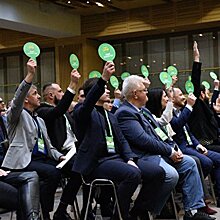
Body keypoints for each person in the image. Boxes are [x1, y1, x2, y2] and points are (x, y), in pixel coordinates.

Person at [115, 75, 214, 220]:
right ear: (135, 94)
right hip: (143, 156)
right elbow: (143, 140)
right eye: (144, 90)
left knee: (190, 163)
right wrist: (169, 151)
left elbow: (158, 133)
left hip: (157, 153)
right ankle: (148, 210)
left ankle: (192, 211)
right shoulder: (125, 112)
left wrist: (172, 147)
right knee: (171, 175)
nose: (147, 92)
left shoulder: (142, 110)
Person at [72, 61, 144, 220]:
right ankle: (120, 215)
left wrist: (130, 158)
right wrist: (103, 78)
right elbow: (87, 104)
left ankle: (122, 212)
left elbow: (122, 140)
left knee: (139, 170)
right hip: (97, 162)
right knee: (132, 175)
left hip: (114, 158)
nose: (108, 91)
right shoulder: (83, 112)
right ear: (93, 93)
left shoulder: (110, 115)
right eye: (104, 89)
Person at [1, 59, 65, 220]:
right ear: (26, 99)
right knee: (52, 173)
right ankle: (44, 211)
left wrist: (60, 156)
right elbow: (17, 99)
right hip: (22, 160)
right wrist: (30, 75)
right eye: (35, 94)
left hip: (40, 158)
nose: (39, 97)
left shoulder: (39, 119)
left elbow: (48, 146)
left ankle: (42, 210)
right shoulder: (16, 115)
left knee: (60, 168)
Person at [146, 87, 217, 215]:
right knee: (200, 162)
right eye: (166, 97)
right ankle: (191, 199)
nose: (168, 99)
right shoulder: (161, 114)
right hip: (169, 151)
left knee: (205, 161)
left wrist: (197, 145)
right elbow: (171, 125)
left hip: (188, 146)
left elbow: (188, 133)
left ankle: (196, 206)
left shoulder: (177, 111)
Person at [37, 70, 82, 220]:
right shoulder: (43, 111)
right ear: (51, 95)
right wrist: (72, 85)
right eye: (60, 91)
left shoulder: (65, 112)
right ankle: (60, 210)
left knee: (89, 165)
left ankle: (85, 208)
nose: (63, 94)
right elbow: (59, 110)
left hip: (75, 150)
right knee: (80, 169)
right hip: (60, 155)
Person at [171, 87, 220, 208]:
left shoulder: (180, 110)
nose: (184, 97)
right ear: (172, 98)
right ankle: (186, 188)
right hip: (182, 148)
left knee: (218, 158)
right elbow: (177, 125)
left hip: (194, 145)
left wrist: (198, 144)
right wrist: (189, 106)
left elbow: (189, 132)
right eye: (181, 94)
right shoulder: (168, 113)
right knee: (206, 163)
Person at [188, 41, 220, 151]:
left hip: (213, 140)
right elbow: (195, 82)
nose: (208, 93)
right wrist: (196, 59)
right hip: (204, 144)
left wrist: (216, 112)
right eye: (207, 91)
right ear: (201, 94)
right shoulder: (197, 104)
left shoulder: (206, 105)